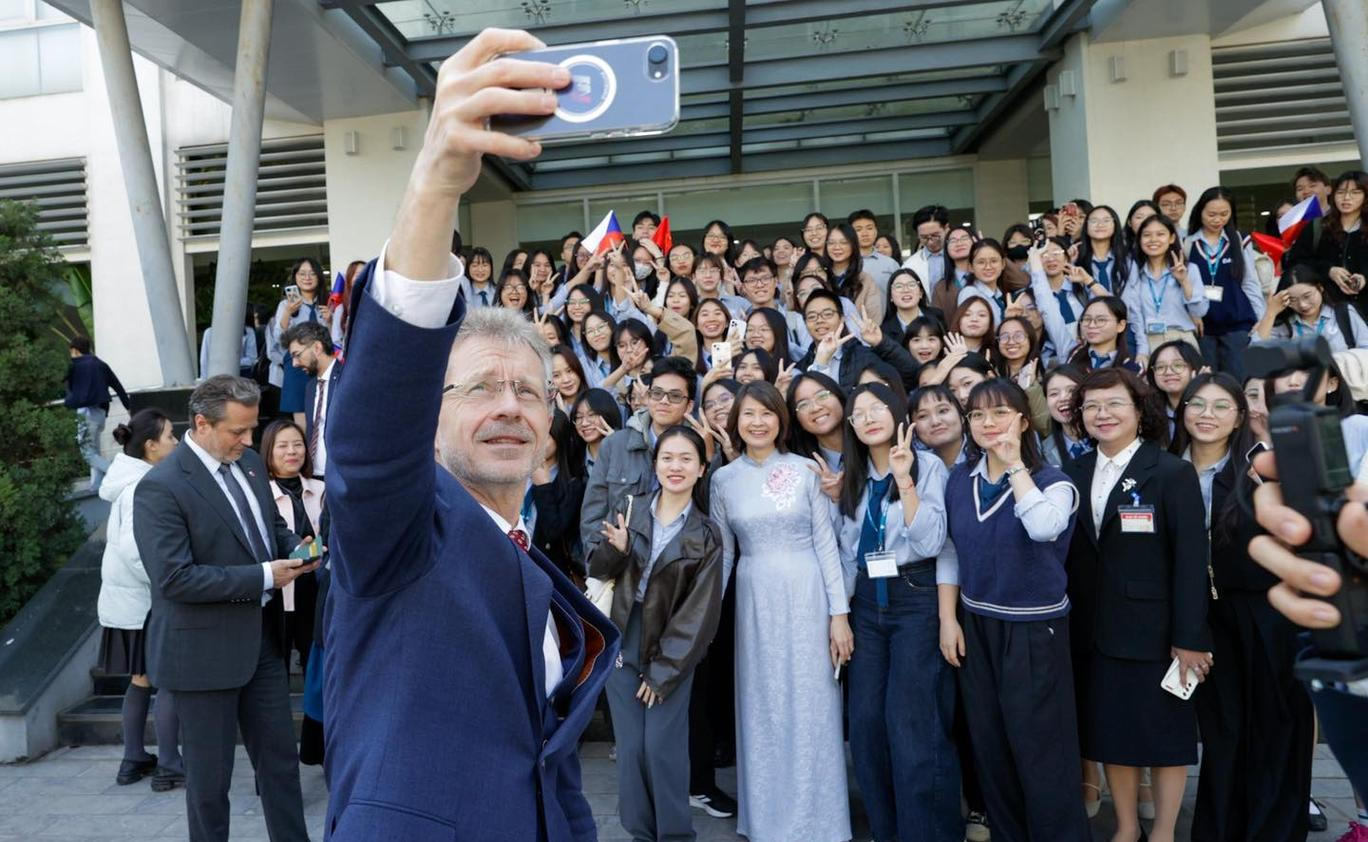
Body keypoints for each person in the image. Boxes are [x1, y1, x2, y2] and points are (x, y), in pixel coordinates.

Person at [322, 32, 620, 841]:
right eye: (481, 386)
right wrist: (434, 188)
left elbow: (548, 764)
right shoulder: (397, 532)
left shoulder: (527, 557)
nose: (510, 406)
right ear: (430, 415)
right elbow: (369, 443)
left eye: (528, 390)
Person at [132, 375, 314, 842]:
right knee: (209, 788)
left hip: (264, 647)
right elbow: (174, 578)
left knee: (281, 770)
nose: (249, 441)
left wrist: (298, 548)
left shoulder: (251, 464)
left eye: (252, 430)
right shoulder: (161, 488)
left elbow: (270, 527)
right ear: (201, 423)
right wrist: (263, 576)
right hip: (201, 660)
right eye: (238, 431)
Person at [1063, 367, 1212, 842]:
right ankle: (1126, 827)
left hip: (1157, 634)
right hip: (1094, 631)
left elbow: (1192, 560)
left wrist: (1189, 638)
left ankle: (1165, 831)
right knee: (1113, 737)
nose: (1102, 414)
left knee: (1166, 737)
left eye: (1114, 404)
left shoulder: (1171, 471)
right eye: (1092, 406)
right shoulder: (1074, 471)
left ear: (1139, 410)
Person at [938, 379, 1091, 840]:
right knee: (991, 744)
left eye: (1001, 413)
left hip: (1033, 628)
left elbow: (1045, 527)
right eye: (979, 415)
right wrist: (949, 620)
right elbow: (950, 550)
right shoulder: (959, 479)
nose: (989, 424)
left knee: (1042, 748)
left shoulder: (1054, 482)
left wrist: (1013, 467)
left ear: (1024, 421)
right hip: (976, 623)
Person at [1170, 373, 1316, 841]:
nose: (1206, 415)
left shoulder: (1263, 467)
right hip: (1203, 619)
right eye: (1197, 404)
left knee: (1276, 727)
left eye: (1220, 406)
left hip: (1269, 614)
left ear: (1240, 418)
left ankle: (1273, 831)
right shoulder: (1165, 469)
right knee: (1223, 732)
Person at [710, 381, 853, 842]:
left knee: (813, 703)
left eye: (766, 413)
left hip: (808, 591)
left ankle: (821, 821)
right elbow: (724, 554)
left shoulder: (805, 470)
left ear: (780, 420)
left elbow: (827, 546)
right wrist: (705, 613)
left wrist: (838, 614)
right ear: (736, 422)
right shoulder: (723, 480)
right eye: (748, 414)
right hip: (754, 602)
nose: (757, 422)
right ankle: (769, 821)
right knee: (763, 704)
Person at [589, 425, 724, 842]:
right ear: (655, 464)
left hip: (672, 646)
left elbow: (700, 612)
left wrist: (665, 670)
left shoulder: (705, 534)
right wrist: (618, 549)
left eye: (686, 459)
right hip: (624, 636)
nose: (675, 466)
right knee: (630, 750)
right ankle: (641, 834)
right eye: (667, 458)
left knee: (661, 749)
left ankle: (675, 835)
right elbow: (597, 567)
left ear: (702, 469)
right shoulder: (630, 509)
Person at [836, 383, 959, 841]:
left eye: (877, 408)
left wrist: (904, 480)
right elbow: (848, 551)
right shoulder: (851, 473)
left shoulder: (927, 467)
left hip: (915, 598)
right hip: (867, 602)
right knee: (866, 725)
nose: (868, 417)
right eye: (859, 413)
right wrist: (841, 614)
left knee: (913, 727)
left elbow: (930, 542)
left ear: (897, 413)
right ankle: (887, 831)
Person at [97, 408, 183, 791]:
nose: (177, 443)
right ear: (151, 447)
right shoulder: (143, 487)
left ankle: (133, 759)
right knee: (165, 682)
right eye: (170, 437)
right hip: (146, 603)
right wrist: (171, 585)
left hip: (130, 604)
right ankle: (168, 765)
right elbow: (139, 551)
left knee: (143, 680)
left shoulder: (131, 481)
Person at [261, 419, 323, 676]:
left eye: (298, 445)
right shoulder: (260, 493)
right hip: (277, 592)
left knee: (317, 665)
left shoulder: (322, 489)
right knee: (276, 668)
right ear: (268, 451)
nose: (292, 452)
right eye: (283, 446)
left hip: (317, 590)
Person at [1185, 187, 1265, 377]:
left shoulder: (1239, 240)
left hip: (1237, 324)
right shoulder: (1187, 243)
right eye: (1211, 214)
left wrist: (1260, 318)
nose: (1218, 220)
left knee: (1239, 381)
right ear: (1200, 212)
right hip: (1203, 327)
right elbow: (1184, 286)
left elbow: (1250, 282)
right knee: (1206, 381)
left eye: (1224, 214)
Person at [1286, 170, 1368, 315]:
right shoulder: (1318, 226)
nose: (1346, 198)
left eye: (1355, 192)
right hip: (1328, 310)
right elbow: (1296, 261)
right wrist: (1329, 270)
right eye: (1341, 192)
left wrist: (1364, 277)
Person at [65, 335, 131, 493]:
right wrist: (129, 408)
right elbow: (118, 387)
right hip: (101, 413)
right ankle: (96, 487)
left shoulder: (76, 366)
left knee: (87, 454)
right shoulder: (101, 364)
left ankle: (119, 472)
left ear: (74, 350)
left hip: (86, 413)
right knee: (94, 452)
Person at [272, 258, 332, 427]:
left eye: (312, 273)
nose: (307, 277)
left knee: (326, 411)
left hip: (323, 364)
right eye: (302, 273)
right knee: (302, 420)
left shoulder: (328, 304)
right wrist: (288, 313)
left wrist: (330, 321)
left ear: (319, 277)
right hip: (297, 365)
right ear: (295, 277)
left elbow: (336, 340)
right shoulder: (285, 305)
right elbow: (278, 339)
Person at [281, 321, 339, 481]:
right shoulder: (311, 386)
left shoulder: (347, 380)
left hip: (341, 478)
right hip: (313, 476)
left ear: (317, 348)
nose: (294, 363)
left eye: (297, 355)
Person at [903, 204, 951, 296]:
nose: (930, 242)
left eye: (935, 235)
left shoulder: (961, 255)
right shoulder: (910, 265)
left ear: (946, 228)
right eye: (924, 237)